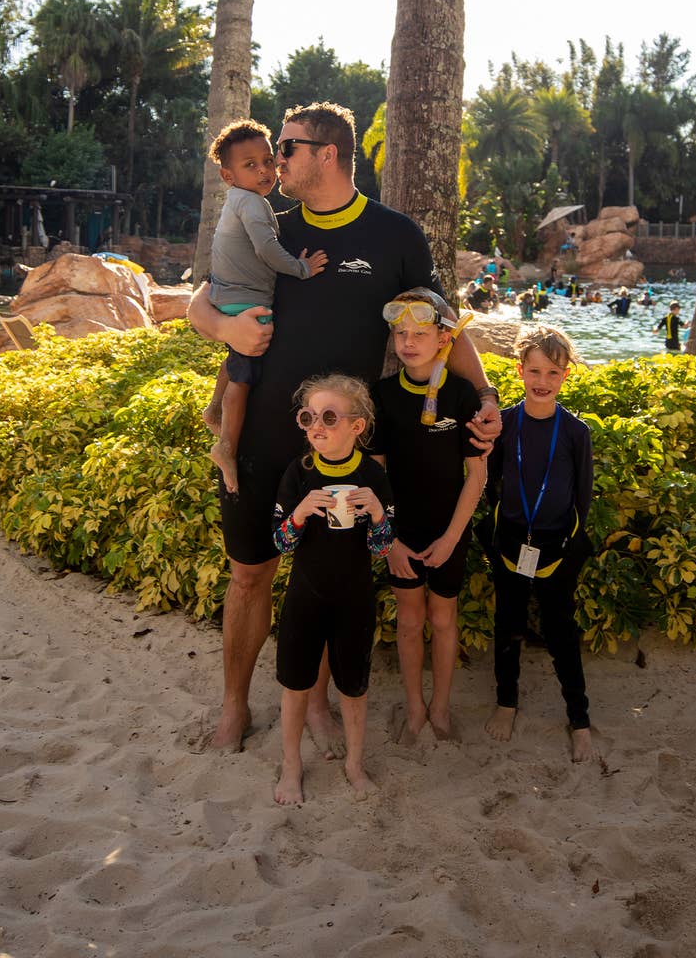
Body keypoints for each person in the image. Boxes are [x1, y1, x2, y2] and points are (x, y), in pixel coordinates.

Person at [186, 101, 501, 753]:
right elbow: (201, 297)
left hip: (340, 445)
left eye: (288, 146)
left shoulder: (394, 237)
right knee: (250, 575)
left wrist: (487, 391)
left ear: (326, 154)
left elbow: (442, 321)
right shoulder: (265, 221)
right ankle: (234, 708)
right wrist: (225, 328)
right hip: (261, 437)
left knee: (324, 574)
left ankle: (320, 704)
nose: (277, 157)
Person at [370, 289, 487, 744]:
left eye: (420, 333)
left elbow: (475, 476)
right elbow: (376, 478)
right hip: (402, 531)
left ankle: (440, 705)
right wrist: (389, 541)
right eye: (400, 334)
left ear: (445, 339)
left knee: (442, 619)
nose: (408, 342)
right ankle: (415, 706)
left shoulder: (462, 397)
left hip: (448, 530)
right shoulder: (382, 396)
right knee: (410, 620)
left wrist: (452, 539)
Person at [272, 374, 393, 803]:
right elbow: (280, 542)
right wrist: (300, 513)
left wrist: (378, 514)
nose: (316, 427)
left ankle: (355, 764)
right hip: (306, 594)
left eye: (328, 416)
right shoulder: (298, 473)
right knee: (296, 683)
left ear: (357, 426)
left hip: (354, 598)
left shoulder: (371, 475)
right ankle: (291, 765)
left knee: (354, 687)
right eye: (308, 417)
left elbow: (382, 548)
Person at [478, 324, 595, 762]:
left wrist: (570, 548)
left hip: (556, 547)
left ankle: (579, 718)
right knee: (507, 624)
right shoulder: (504, 423)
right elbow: (489, 484)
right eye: (535, 371)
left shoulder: (575, 432)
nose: (542, 382)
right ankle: (506, 702)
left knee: (561, 631)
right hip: (510, 540)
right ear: (520, 370)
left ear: (566, 375)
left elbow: (582, 497)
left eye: (553, 373)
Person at [201, 119, 328, 494]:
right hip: (247, 302)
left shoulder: (238, 201)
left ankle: (211, 407)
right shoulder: (253, 204)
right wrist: (302, 268)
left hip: (228, 295)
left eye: (267, 161)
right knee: (244, 375)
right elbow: (267, 249)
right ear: (228, 175)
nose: (264, 171)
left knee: (236, 356)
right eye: (249, 165)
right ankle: (225, 445)